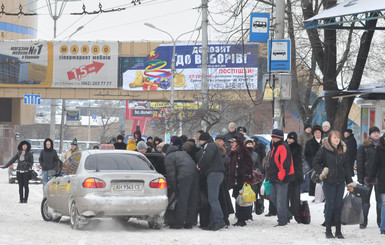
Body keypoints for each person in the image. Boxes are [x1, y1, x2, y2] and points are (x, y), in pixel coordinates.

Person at [312, 131, 355, 239]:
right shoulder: (324, 149)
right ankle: (328, 230)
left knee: (338, 206)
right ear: (330, 138)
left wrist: (349, 182)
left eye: (338, 137)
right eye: (334, 137)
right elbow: (315, 162)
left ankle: (338, 231)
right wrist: (323, 171)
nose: (337, 139)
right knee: (330, 205)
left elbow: (347, 168)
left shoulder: (342, 150)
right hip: (328, 181)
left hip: (340, 181)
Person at [164, 143, 199, 229]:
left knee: (182, 199)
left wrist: (175, 188)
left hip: (184, 176)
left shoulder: (169, 157)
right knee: (192, 199)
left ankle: (178, 223)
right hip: (195, 175)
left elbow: (171, 175)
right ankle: (190, 222)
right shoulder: (184, 154)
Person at [196, 132, 226, 231]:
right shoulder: (213, 145)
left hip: (214, 174)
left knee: (213, 199)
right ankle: (213, 222)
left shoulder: (209, 145)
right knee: (214, 199)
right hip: (217, 174)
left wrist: (199, 165)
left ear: (203, 140)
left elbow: (207, 157)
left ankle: (219, 221)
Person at [356, 126, 382, 229]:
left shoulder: (382, 145)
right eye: (374, 132)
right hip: (367, 176)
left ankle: (381, 222)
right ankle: (363, 221)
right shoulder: (364, 146)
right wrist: (360, 177)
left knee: (380, 201)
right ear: (370, 134)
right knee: (365, 201)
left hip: (380, 178)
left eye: (377, 132)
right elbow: (360, 162)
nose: (376, 134)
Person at [269, 129, 294, 226]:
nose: (272, 138)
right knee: (273, 197)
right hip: (275, 176)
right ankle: (287, 215)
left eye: (274, 137)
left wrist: (281, 177)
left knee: (280, 200)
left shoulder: (282, 147)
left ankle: (282, 220)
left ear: (278, 138)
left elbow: (285, 164)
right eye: (272, 137)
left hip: (282, 178)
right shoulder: (275, 146)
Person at [228, 136, 254, 226]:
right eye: (230, 142)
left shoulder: (243, 151)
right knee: (237, 198)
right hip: (235, 179)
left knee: (241, 199)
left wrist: (246, 178)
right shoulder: (233, 152)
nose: (231, 144)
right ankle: (239, 218)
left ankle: (242, 219)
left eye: (232, 142)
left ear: (237, 142)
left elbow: (248, 165)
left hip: (241, 179)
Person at [368, 133, 385, 235]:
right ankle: (383, 227)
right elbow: (374, 164)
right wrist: (370, 177)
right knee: (384, 204)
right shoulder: (379, 148)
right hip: (383, 178)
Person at [286, 132, 303, 223]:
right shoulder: (284, 146)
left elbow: (295, 160)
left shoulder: (298, 147)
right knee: (286, 196)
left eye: (291, 139)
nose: (289, 140)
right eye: (288, 138)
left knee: (295, 197)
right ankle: (287, 215)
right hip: (287, 176)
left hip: (296, 176)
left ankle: (297, 215)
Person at [304, 125, 323, 196]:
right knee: (313, 179)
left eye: (319, 132)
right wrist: (311, 163)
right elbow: (306, 154)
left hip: (323, 165)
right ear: (313, 134)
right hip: (313, 165)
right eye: (316, 132)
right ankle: (313, 194)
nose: (317, 134)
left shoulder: (324, 142)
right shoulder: (309, 143)